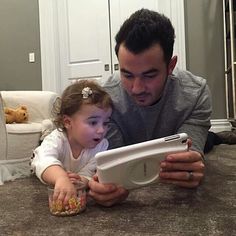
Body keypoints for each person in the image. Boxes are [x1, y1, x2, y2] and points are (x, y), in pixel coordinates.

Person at [88, 9, 212, 206]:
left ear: (171, 66)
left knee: (209, 144)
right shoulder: (104, 100)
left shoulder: (195, 94)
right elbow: (112, 162)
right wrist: (105, 185)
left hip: (173, 136)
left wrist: (192, 165)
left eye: (149, 75)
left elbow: (191, 155)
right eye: (127, 75)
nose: (137, 89)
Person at [31, 80, 113, 205]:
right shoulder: (57, 139)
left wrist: (81, 180)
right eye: (93, 122)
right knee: (41, 156)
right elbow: (44, 160)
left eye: (106, 123)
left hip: (71, 181)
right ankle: (45, 130)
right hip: (45, 179)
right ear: (68, 122)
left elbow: (90, 171)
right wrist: (61, 178)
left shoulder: (101, 146)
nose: (101, 130)